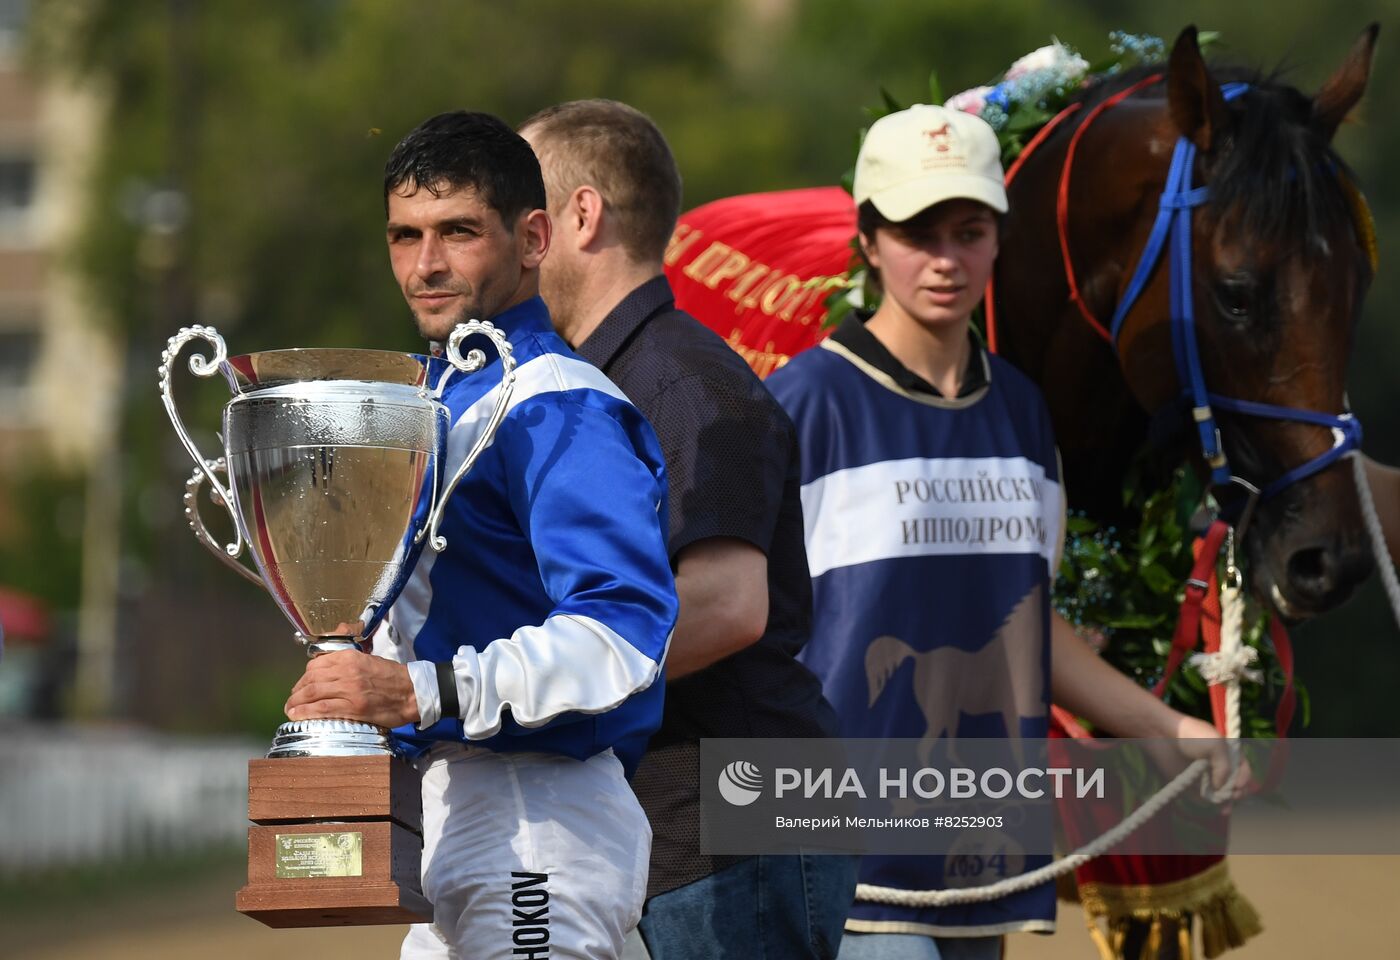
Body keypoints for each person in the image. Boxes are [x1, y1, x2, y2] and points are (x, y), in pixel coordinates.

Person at [765, 104, 1233, 960]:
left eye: (968, 230)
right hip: (847, 861)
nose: (944, 258)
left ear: (998, 240)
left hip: (979, 860)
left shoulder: (1020, 410)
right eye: (915, 231)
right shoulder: (804, 406)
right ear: (869, 241)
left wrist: (1166, 730)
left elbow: (1030, 628)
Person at [283, 110, 678, 960]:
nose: (426, 265)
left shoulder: (559, 403)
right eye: (405, 235)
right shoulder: (436, 402)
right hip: (453, 811)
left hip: (541, 820)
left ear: (533, 237)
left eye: (458, 232)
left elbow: (623, 634)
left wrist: (417, 693)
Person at [519, 99, 857, 959]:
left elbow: (729, 604)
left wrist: (518, 690)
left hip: (731, 826)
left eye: (526, 216)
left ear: (582, 215)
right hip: (689, 830)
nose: (507, 243)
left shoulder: (685, 383)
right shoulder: (609, 378)